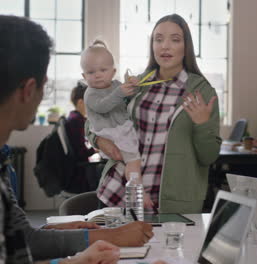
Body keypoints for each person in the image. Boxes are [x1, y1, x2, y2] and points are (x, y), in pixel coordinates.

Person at [0, 15, 153, 263]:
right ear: (29, 89)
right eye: (45, 85)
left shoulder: (4, 164)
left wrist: (83, 239)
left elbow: (22, 240)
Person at [88, 14, 221, 213]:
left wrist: (202, 126)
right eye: (158, 39)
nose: (165, 46)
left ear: (186, 47)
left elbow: (208, 157)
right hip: (118, 195)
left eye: (175, 40)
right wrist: (98, 140)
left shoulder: (202, 93)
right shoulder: (136, 85)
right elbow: (94, 116)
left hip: (167, 206)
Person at [81, 40, 152, 207]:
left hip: (119, 130)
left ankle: (134, 189)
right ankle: (138, 192)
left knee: (131, 160)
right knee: (133, 160)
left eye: (103, 70)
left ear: (113, 71)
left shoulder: (116, 85)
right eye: (91, 72)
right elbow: (103, 106)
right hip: (110, 132)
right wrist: (119, 93)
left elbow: (128, 98)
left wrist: (134, 86)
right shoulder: (90, 93)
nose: (97, 75)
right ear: (84, 76)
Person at [64, 82, 96, 192]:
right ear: (81, 102)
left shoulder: (73, 116)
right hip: (80, 175)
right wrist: (95, 149)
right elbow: (81, 153)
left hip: (75, 170)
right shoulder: (77, 121)